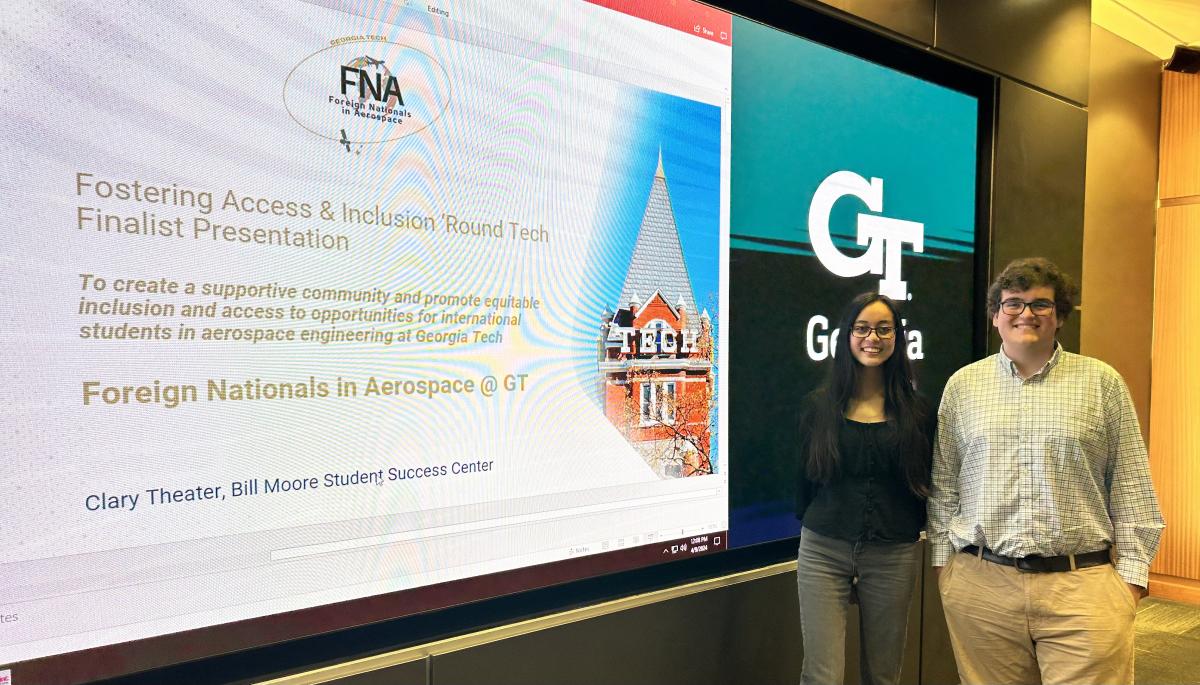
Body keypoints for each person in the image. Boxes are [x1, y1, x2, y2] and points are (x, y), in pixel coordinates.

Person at [927, 257, 1164, 685]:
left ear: (1059, 317)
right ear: (996, 315)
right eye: (1013, 303)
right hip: (982, 587)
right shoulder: (963, 386)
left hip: (1083, 587)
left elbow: (1131, 484)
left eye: (1041, 304)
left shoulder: (1101, 382)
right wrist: (948, 571)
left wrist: (1130, 581)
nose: (1026, 314)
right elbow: (944, 484)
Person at [795, 292, 934, 685]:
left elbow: (923, 481)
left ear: (897, 337)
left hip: (893, 553)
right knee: (822, 675)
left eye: (883, 329)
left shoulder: (918, 411)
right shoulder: (817, 406)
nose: (872, 338)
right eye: (862, 328)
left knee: (883, 675)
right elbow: (803, 482)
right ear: (847, 335)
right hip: (823, 549)